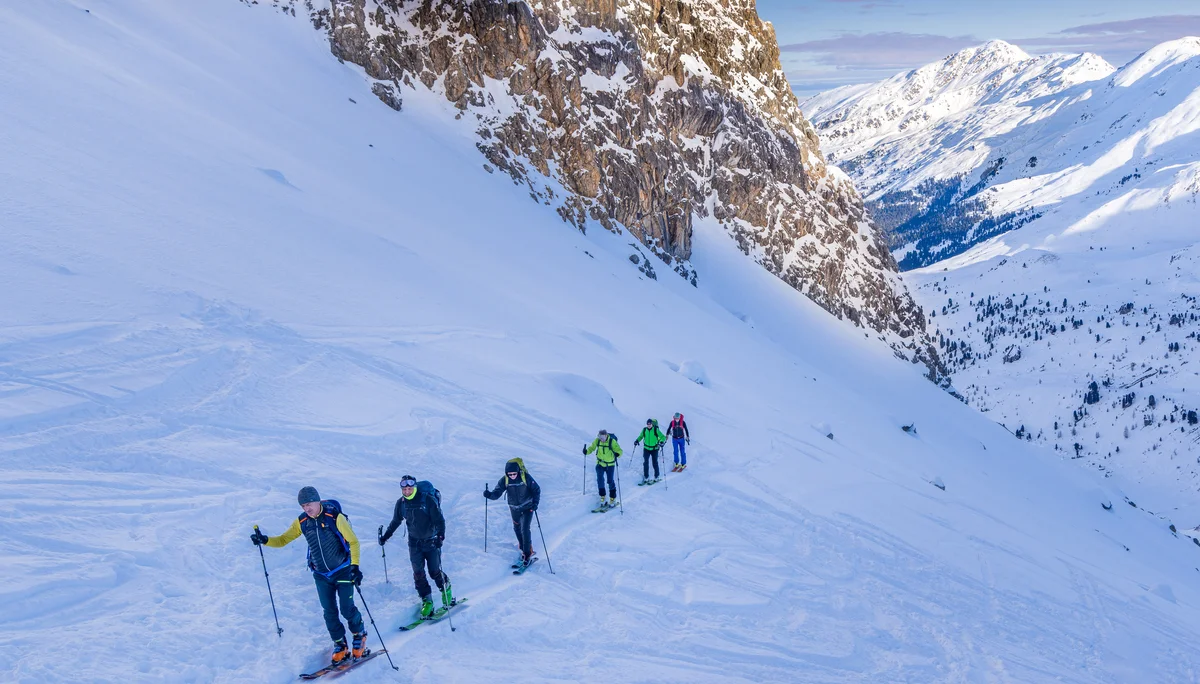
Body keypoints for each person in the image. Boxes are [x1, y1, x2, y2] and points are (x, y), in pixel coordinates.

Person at [251, 486, 366, 665]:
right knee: (329, 612)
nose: (306, 509)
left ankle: (359, 635)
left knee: (346, 608)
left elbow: (354, 541)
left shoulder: (334, 517)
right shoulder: (302, 521)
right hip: (321, 574)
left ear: (317, 500)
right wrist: (265, 540)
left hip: (342, 569)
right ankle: (340, 644)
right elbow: (283, 540)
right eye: (303, 506)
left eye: (309, 504)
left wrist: (355, 567)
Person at [379, 475, 451, 618]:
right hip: (414, 543)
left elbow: (439, 520)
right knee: (418, 573)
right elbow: (396, 521)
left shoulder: (427, 500)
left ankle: (446, 589)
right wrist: (386, 536)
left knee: (434, 571)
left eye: (409, 488)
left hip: (431, 541)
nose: (407, 491)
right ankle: (427, 601)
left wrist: (440, 536)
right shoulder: (401, 503)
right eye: (404, 489)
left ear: (415, 487)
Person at [484, 458, 541, 567]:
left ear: (518, 471)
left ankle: (527, 553)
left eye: (514, 474)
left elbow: (536, 489)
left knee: (525, 529)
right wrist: (489, 495)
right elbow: (497, 493)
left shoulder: (526, 477)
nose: (512, 476)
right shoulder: (504, 480)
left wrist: (535, 503)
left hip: (528, 507)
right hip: (514, 508)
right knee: (517, 528)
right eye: (510, 474)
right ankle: (523, 548)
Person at [583, 429, 623, 507]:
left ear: (606, 435)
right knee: (600, 480)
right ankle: (602, 496)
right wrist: (586, 451)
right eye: (599, 436)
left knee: (610, 481)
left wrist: (617, 454)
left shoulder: (612, 441)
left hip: (610, 464)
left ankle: (612, 498)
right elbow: (592, 448)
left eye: (602, 437)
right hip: (600, 463)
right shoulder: (597, 441)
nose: (601, 438)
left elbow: (619, 450)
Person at [633, 418, 667, 483]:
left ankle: (656, 477)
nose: (649, 425)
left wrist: (662, 442)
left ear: (652, 424)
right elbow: (640, 436)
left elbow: (663, 437)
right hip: (646, 449)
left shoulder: (655, 430)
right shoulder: (644, 430)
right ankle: (646, 477)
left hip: (654, 449)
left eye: (650, 424)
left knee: (655, 463)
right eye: (648, 424)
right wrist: (637, 440)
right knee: (645, 463)